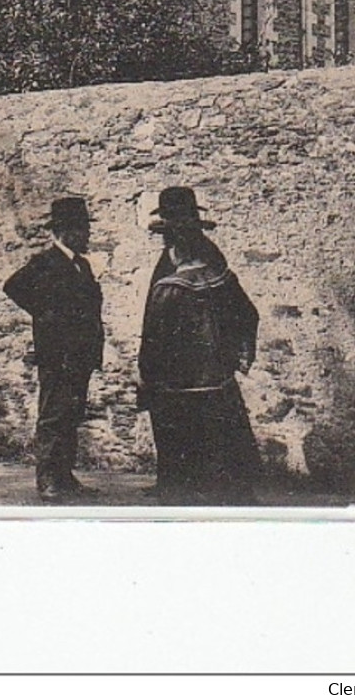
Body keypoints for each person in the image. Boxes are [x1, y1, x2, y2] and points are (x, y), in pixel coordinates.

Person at [137, 187, 264, 505]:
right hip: (216, 380)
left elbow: (155, 335)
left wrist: (147, 375)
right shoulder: (216, 268)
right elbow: (245, 313)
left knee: (189, 465)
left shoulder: (176, 276)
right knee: (222, 459)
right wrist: (233, 355)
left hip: (182, 386)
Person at [3, 197, 105, 503]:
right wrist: (47, 316)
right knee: (52, 417)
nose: (87, 235)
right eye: (83, 229)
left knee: (72, 414)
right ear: (66, 231)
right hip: (57, 356)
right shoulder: (45, 262)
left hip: (80, 356)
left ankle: (65, 475)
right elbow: (13, 286)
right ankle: (47, 478)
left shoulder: (82, 266)